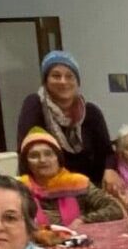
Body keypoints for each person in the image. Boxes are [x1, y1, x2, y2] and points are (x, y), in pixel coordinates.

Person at [15, 50, 117, 196]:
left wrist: (110, 170)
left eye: (70, 76)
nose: (63, 81)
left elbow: (108, 152)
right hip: (49, 193)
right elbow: (27, 150)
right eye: (56, 76)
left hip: (90, 190)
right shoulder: (34, 105)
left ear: (77, 82)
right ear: (46, 81)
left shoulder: (91, 112)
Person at [17, 128, 123, 226]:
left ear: (58, 158)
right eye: (34, 156)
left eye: (48, 154)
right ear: (26, 163)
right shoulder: (18, 189)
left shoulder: (78, 183)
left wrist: (84, 220)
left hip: (78, 241)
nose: (42, 160)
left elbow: (115, 209)